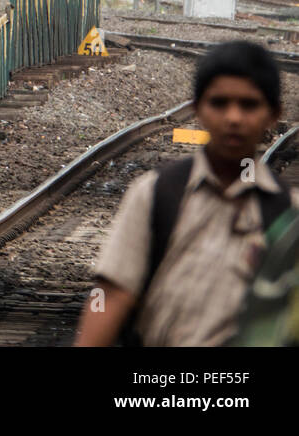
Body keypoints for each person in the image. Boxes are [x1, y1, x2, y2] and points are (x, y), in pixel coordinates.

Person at [75, 41, 294, 347]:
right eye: (219, 103)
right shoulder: (154, 194)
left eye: (249, 104)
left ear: (274, 115)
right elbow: (112, 294)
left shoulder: (288, 211)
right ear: (197, 109)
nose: (233, 117)